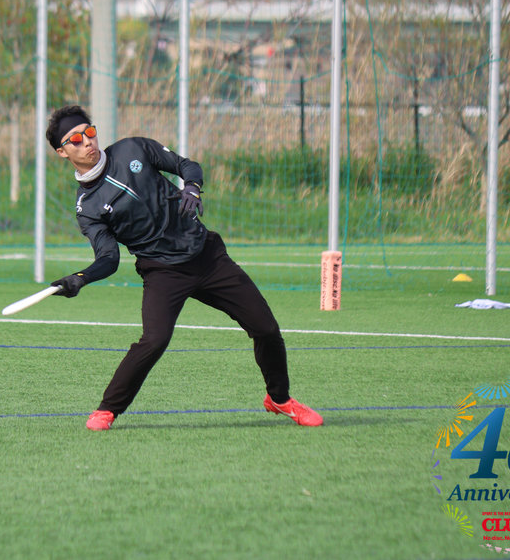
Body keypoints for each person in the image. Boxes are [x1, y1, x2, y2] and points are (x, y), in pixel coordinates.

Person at [45, 104, 323, 431]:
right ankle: (107, 409)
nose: (87, 142)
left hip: (206, 256)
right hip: (163, 272)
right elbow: (109, 258)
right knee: (154, 340)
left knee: (266, 329)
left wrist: (192, 186)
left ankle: (280, 399)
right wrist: (81, 278)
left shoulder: (133, 148)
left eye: (89, 132)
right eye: (76, 140)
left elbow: (187, 165)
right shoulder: (88, 208)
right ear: (62, 152)